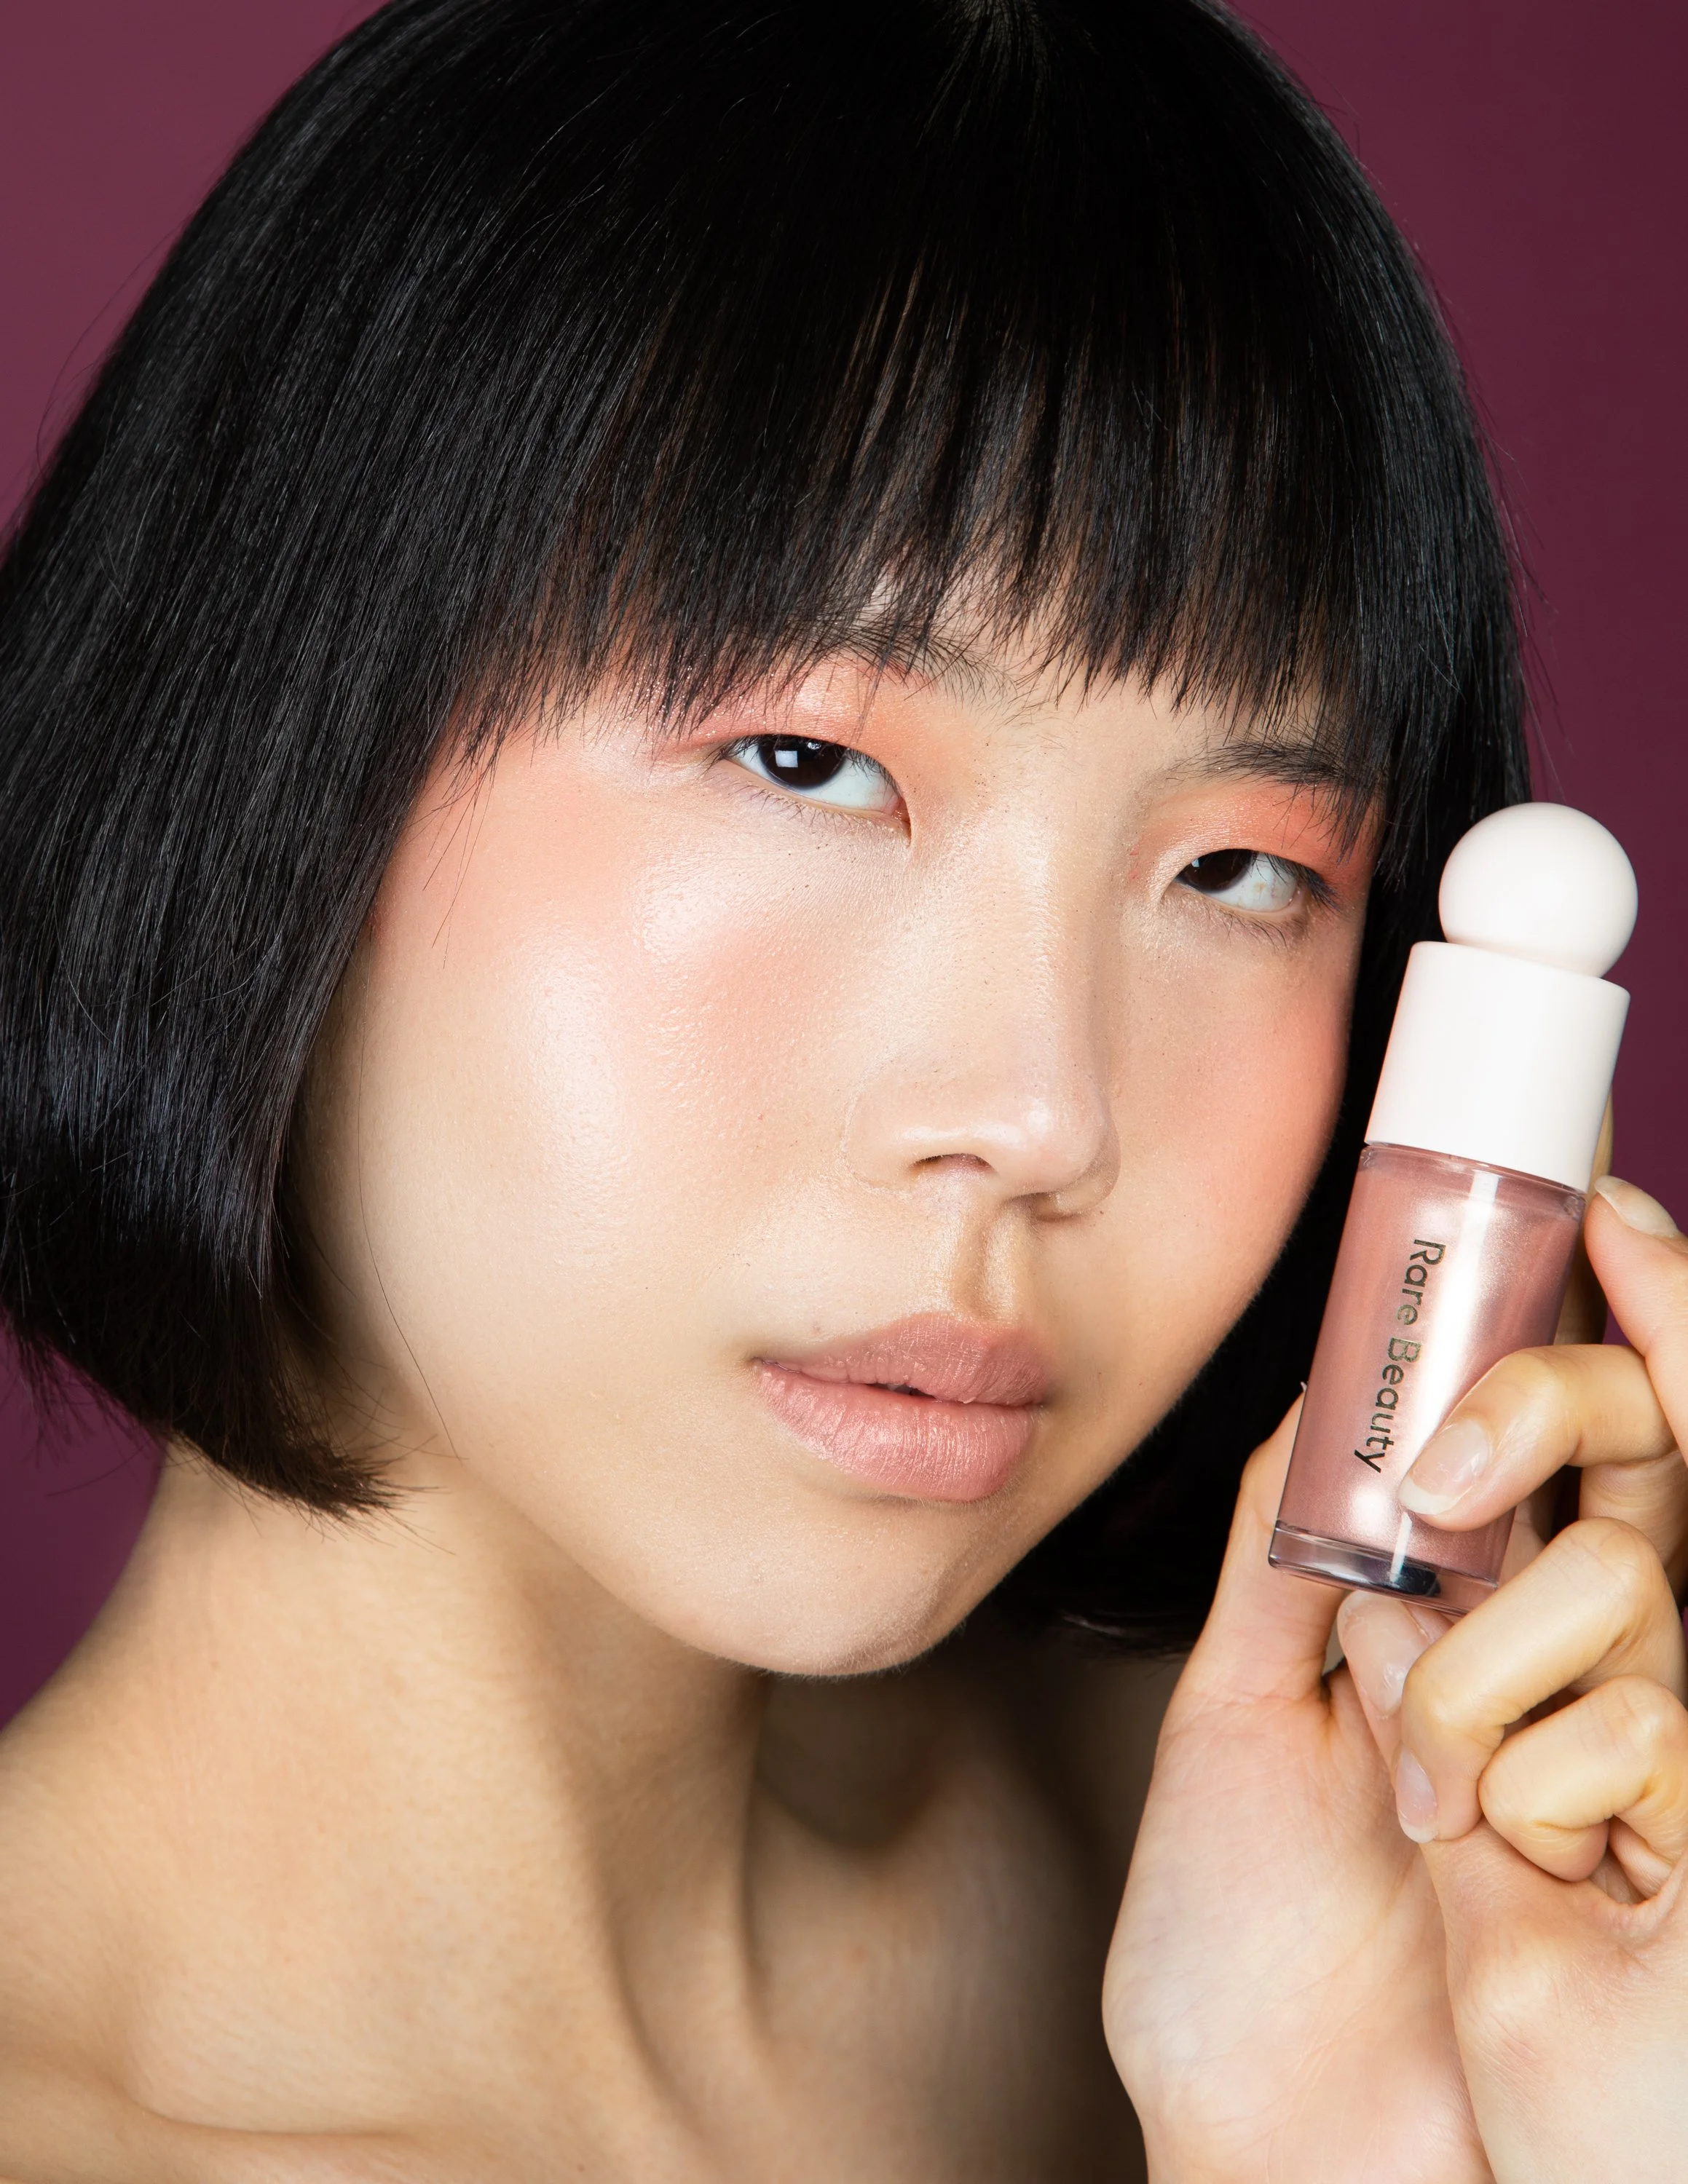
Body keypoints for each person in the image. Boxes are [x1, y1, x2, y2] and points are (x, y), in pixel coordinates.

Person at [0, 1, 1684, 2175]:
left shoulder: (1356, 1909)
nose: (1045, 1119)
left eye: (1239, 870)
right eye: (808, 763)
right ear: (263, 735)